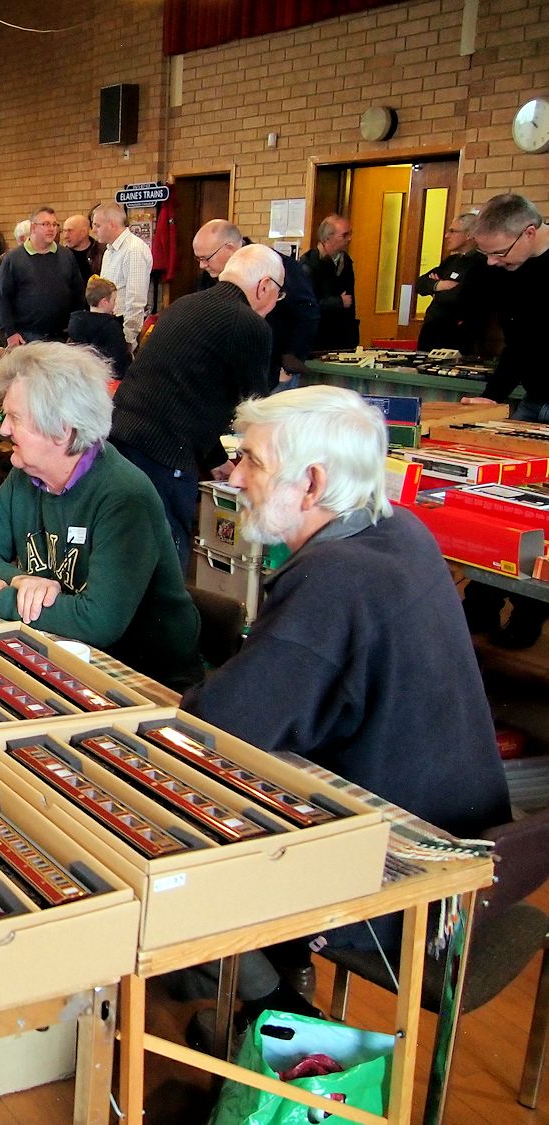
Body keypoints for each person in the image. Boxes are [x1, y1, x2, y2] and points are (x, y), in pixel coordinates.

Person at [180, 386, 509, 1017]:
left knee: (166, 834)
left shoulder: (337, 578)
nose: (234, 476)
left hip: (407, 879)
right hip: (463, 839)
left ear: (311, 484)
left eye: (252, 461)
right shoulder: (397, 528)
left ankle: (271, 1005)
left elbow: (218, 730)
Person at [0, 342, 202, 690]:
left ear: (61, 431)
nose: (4, 429)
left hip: (143, 677)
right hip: (63, 654)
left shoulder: (124, 496)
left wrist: (0, 598)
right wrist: (21, 580)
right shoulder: (26, 475)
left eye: (15, 418)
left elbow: (98, 622)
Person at [109, 244, 278, 565]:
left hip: (122, 435)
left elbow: (188, 389)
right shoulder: (249, 324)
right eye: (277, 295)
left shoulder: (185, 304)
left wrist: (216, 458)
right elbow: (257, 409)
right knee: (166, 555)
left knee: (127, 542)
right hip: (164, 451)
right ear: (264, 286)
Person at [458, 193, 549, 648]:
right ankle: (482, 602)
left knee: (541, 515)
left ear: (530, 233)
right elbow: (518, 345)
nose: (492, 263)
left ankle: (529, 613)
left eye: (498, 253)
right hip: (532, 399)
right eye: (485, 254)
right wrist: (491, 398)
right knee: (500, 501)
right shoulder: (510, 270)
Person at [192, 219, 319, 388]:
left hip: (271, 372)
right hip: (227, 373)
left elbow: (307, 312)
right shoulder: (209, 276)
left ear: (229, 248)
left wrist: (288, 365)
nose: (202, 265)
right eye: (198, 259)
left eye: (206, 258)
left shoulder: (278, 266)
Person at [0, 206, 83, 346]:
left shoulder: (67, 255)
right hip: (25, 337)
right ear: (33, 227)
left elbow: (78, 294)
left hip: (61, 337)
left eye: (54, 224)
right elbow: (2, 298)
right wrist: (9, 333)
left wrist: (75, 328)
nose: (51, 229)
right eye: (46, 224)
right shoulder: (13, 259)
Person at [415, 211, 487, 353]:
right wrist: (440, 285)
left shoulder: (481, 264)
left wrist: (435, 293)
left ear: (469, 235)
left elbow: (460, 297)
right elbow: (420, 284)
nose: (446, 236)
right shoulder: (450, 261)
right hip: (430, 334)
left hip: (456, 338)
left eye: (453, 231)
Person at [91, 201, 153, 354]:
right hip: (107, 325)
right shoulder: (109, 251)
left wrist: (128, 339)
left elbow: (136, 299)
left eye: (97, 225)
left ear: (112, 224)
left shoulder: (134, 249)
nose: (93, 230)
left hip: (122, 329)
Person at [300, 214, 359, 351]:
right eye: (344, 235)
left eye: (350, 234)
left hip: (342, 338)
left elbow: (351, 302)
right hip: (318, 339)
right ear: (327, 238)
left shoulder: (346, 261)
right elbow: (305, 305)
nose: (349, 239)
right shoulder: (308, 264)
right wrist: (338, 302)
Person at [66, 275, 131, 376]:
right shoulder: (111, 327)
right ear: (104, 302)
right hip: (106, 379)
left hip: (81, 377)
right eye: (114, 300)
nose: (115, 303)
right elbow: (120, 363)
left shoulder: (75, 323)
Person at [62, 214, 103, 284]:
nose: (65, 236)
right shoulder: (62, 255)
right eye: (64, 231)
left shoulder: (102, 252)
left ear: (83, 232)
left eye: (70, 231)